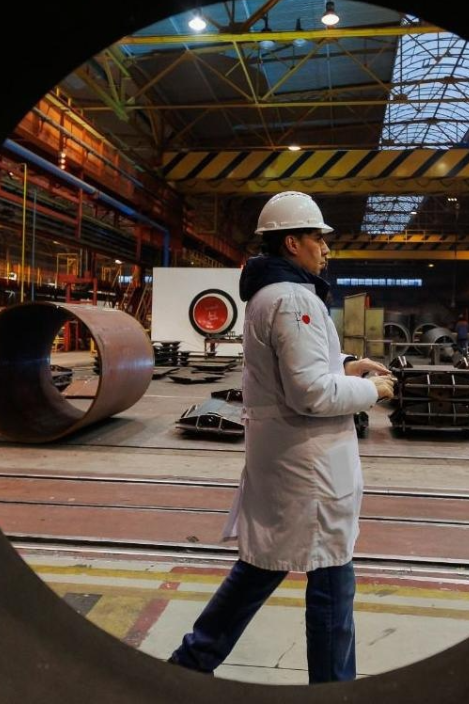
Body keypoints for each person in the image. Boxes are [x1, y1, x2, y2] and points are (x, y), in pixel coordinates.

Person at [167, 191, 396, 683]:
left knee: (261, 566)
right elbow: (310, 392)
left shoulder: (271, 294)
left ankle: (190, 662)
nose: (325, 249)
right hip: (310, 469)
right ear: (292, 242)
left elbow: (295, 368)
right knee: (331, 580)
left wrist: (347, 364)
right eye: (317, 238)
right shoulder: (293, 299)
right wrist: (370, 390)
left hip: (288, 461)